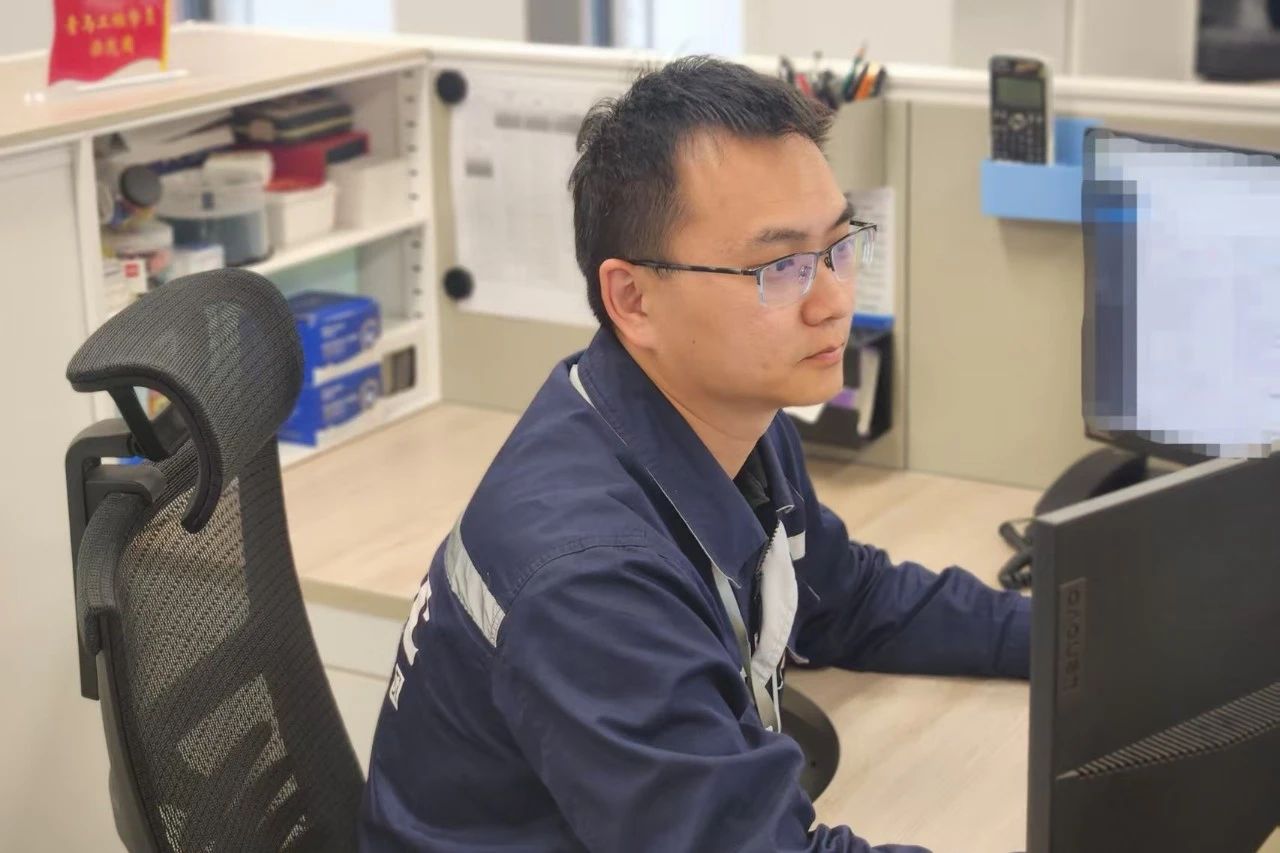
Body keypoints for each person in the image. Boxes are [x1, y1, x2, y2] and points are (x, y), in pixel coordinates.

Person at [359, 56, 1030, 852]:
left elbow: (850, 600)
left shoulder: (729, 417)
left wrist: (1081, 640)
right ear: (633, 298)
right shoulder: (589, 580)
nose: (834, 300)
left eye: (839, 247)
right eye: (780, 267)